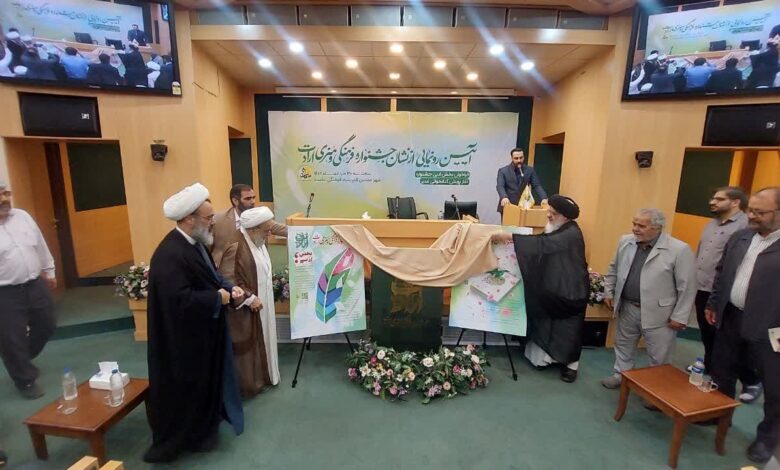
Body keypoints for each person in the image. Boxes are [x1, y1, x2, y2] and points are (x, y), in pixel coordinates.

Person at [144, 183, 245, 463]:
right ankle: (190, 437)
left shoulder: (194, 244)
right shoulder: (169, 254)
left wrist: (228, 288)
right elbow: (178, 301)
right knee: (188, 390)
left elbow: (211, 276)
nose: (213, 222)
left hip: (202, 335)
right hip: (182, 343)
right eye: (208, 217)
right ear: (190, 219)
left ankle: (205, 428)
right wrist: (216, 298)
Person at [704, 187, 780, 464]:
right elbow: (722, 273)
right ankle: (719, 415)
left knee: (775, 388)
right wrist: (714, 303)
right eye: (751, 210)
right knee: (721, 371)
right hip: (732, 317)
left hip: (772, 329)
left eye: (760, 212)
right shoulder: (740, 237)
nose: (751, 216)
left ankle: (767, 438)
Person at [493, 195, 588, 382]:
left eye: (553, 213)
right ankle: (545, 359)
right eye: (549, 211)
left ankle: (571, 365)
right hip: (553, 288)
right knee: (546, 322)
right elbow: (541, 243)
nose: (549, 216)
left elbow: (544, 244)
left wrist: (509, 237)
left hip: (570, 291)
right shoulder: (557, 227)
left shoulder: (571, 233)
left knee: (568, 330)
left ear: (565, 217)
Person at [600, 208, 696, 392]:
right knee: (623, 346)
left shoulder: (679, 249)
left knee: (659, 355)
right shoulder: (625, 241)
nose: (635, 229)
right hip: (628, 307)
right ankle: (621, 376)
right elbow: (614, 268)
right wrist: (608, 292)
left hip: (661, 314)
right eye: (634, 224)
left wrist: (680, 316)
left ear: (657, 228)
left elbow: (687, 286)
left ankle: (655, 390)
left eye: (641, 226)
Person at [690, 187, 763, 403]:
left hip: (728, 294)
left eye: (719, 199)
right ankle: (711, 368)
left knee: (735, 342)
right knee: (709, 334)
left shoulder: (746, 227)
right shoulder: (711, 224)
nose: (712, 202)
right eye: (713, 198)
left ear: (735, 202)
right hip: (704, 287)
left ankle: (751, 379)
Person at [218, 206, 288, 397]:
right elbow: (228, 280)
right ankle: (250, 384)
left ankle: (266, 376)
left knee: (264, 340)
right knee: (249, 346)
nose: (269, 234)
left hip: (263, 303)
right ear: (254, 229)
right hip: (247, 307)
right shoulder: (236, 246)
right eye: (266, 230)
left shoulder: (257, 241)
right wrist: (249, 298)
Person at [0, 181, 56, 399]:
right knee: (11, 337)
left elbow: (40, 244)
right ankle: (25, 380)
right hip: (5, 293)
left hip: (34, 284)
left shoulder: (22, 216)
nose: (4, 199)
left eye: (6, 193)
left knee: (47, 323)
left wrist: (49, 270)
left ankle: (18, 357)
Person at [212, 184, 256, 269]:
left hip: (250, 270)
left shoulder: (258, 219)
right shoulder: (218, 220)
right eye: (248, 199)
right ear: (235, 201)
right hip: (225, 271)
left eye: (253, 198)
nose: (253, 202)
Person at [496, 147, 548, 213]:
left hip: (524, 205)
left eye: (521, 158)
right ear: (512, 158)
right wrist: (504, 197)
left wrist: (544, 197)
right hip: (508, 205)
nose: (519, 160)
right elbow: (500, 186)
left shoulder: (529, 170)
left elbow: (537, 185)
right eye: (516, 158)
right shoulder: (503, 171)